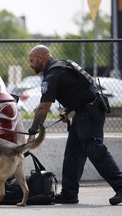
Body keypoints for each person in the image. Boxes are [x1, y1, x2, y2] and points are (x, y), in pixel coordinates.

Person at [27, 44, 122, 205]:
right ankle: (69, 193)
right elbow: (79, 90)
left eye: (31, 60)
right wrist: (68, 110)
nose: (30, 64)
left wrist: (33, 131)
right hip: (84, 112)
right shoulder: (64, 65)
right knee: (73, 155)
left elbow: (44, 106)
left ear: (40, 58)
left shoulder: (53, 74)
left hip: (89, 114)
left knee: (95, 150)